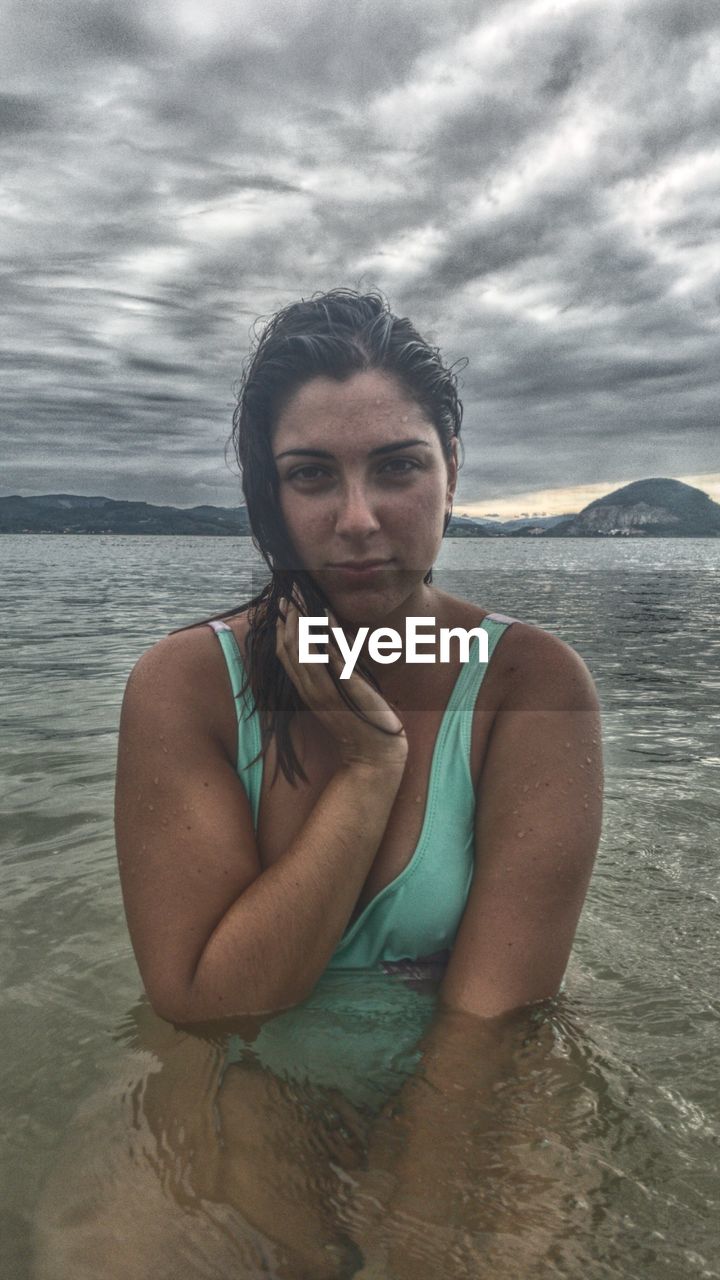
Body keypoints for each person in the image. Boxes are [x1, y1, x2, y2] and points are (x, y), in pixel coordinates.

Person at [115, 287, 603, 1032]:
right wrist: (369, 773)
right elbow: (206, 1011)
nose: (357, 520)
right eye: (311, 475)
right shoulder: (188, 685)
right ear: (268, 494)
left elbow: (488, 1039)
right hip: (239, 1102)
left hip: (453, 1107)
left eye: (398, 468)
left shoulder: (531, 685)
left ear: (453, 474)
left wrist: (424, 1155)